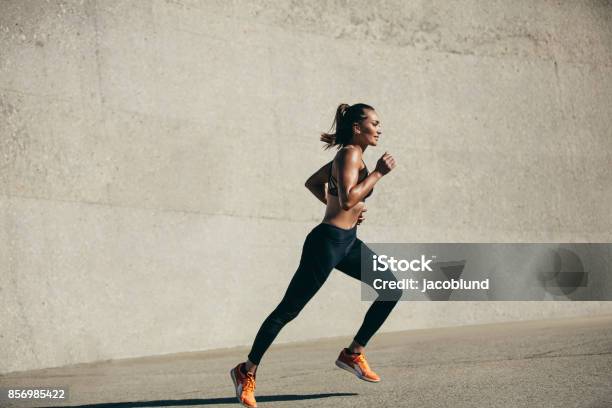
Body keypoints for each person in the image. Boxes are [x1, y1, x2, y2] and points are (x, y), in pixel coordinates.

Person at [230, 103, 401, 408]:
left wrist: (338, 207)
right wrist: (377, 174)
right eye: (374, 123)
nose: (380, 129)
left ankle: (352, 354)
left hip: (347, 241)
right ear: (357, 128)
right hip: (326, 244)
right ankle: (246, 371)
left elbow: (316, 185)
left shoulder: (353, 157)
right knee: (288, 310)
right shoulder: (349, 154)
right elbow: (349, 197)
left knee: (391, 287)